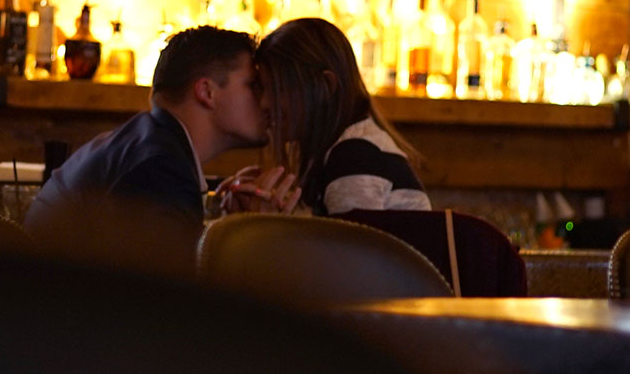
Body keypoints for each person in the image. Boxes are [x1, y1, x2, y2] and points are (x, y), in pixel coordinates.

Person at [24, 26, 298, 273]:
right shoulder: (158, 169)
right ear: (207, 92)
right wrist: (254, 236)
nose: (266, 101)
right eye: (254, 86)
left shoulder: (147, 146)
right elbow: (168, 311)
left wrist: (225, 226)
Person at [252, 17, 431, 216]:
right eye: (263, 88)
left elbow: (350, 248)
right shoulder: (354, 147)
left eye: (279, 89)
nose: (264, 103)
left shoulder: (354, 156)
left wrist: (268, 227)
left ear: (326, 86)